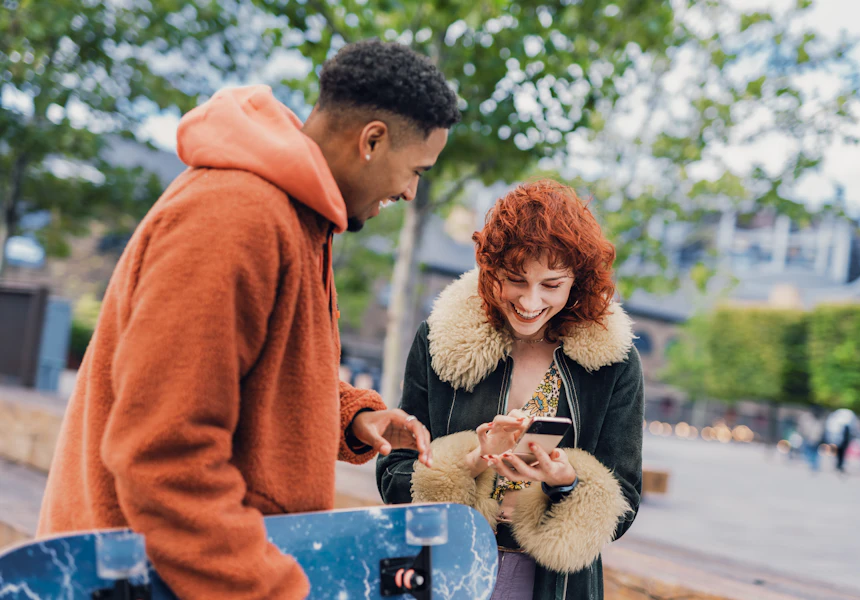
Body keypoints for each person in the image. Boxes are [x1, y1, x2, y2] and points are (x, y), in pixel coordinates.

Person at [38, 39, 460, 599]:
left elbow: (251, 376)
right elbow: (163, 456)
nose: (410, 191)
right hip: (140, 578)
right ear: (372, 140)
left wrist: (351, 416)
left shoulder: (298, 219)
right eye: (415, 170)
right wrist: (276, 589)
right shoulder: (234, 217)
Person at [376, 180, 644, 599]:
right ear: (490, 270)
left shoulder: (614, 363)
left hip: (553, 586)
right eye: (516, 279)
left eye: (551, 285)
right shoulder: (441, 340)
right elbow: (394, 472)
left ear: (577, 281)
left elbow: (623, 501)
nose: (530, 301)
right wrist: (470, 462)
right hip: (443, 572)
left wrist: (566, 482)